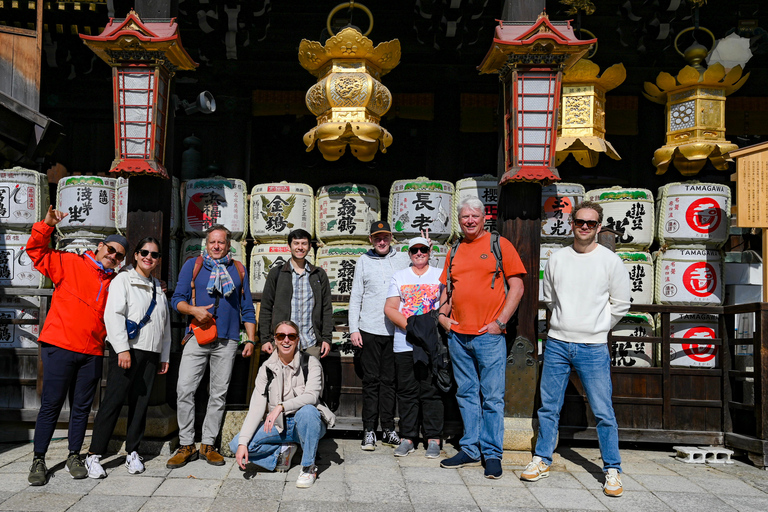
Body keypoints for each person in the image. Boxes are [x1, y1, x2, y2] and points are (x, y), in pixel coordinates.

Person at [521, 200, 630, 497]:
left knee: (603, 411)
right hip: (557, 342)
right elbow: (550, 299)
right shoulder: (557, 259)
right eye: (580, 221)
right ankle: (542, 458)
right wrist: (564, 321)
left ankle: (612, 469)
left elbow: (621, 303)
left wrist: (598, 325)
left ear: (598, 226)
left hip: (593, 345)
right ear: (571, 222)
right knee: (548, 407)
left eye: (591, 223)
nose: (584, 227)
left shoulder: (610, 261)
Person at [25, 206, 128, 486]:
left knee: (82, 408)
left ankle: (74, 455)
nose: (113, 256)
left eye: (119, 255)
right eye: (110, 249)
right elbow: (36, 253)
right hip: (59, 345)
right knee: (51, 405)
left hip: (92, 351)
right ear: (100, 246)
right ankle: (38, 459)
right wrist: (46, 226)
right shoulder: (70, 262)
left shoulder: (116, 283)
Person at [437, 197, 525, 479]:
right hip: (458, 336)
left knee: (492, 397)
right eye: (465, 217)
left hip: (488, 336)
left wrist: (500, 323)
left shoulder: (500, 245)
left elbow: (518, 286)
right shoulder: (455, 249)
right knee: (465, 393)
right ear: (459, 221)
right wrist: (442, 317)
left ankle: (492, 453)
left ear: (484, 217)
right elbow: (447, 290)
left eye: (475, 216)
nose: (470, 221)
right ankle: (470, 448)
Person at [167, 224, 257, 468]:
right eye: (212, 242)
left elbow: (246, 308)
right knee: (185, 389)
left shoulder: (238, 269)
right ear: (206, 245)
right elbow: (177, 300)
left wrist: (250, 339)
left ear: (229, 245)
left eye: (221, 243)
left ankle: (208, 444)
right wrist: (194, 311)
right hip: (196, 336)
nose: (216, 246)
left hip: (227, 340)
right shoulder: (193, 265)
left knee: (218, 394)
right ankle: (186, 444)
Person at [84, 237, 172, 478]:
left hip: (151, 353)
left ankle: (133, 451)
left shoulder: (158, 287)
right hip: (128, 351)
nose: (148, 257)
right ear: (135, 255)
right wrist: (122, 348)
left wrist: (164, 355)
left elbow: (164, 326)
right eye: (144, 252)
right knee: (113, 401)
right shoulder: (123, 279)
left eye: (154, 254)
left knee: (140, 404)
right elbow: (113, 314)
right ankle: (94, 455)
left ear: (158, 260)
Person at [231, 320, 336, 488]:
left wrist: (281, 407)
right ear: (275, 340)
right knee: (237, 445)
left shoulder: (311, 363)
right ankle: (282, 453)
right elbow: (256, 408)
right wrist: (243, 443)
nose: (286, 340)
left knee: (307, 411)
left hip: (308, 423)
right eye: (281, 336)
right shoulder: (266, 368)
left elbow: (311, 396)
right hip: (280, 425)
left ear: (297, 340)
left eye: (291, 336)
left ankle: (308, 466)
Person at [348, 220, 409, 451]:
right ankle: (369, 430)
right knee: (371, 382)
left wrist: (428, 249)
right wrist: (354, 328)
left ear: (391, 238)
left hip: (395, 331)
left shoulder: (402, 258)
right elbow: (356, 297)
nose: (381, 241)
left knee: (390, 382)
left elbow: (419, 274)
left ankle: (389, 428)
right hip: (369, 329)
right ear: (371, 240)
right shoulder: (364, 261)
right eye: (377, 238)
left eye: (385, 237)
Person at [384, 236, 444, 458]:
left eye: (423, 249)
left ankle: (434, 438)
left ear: (430, 250)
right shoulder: (400, 276)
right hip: (405, 341)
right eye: (414, 250)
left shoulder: (439, 274)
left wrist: (427, 330)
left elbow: (447, 304)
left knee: (432, 390)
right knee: (407, 391)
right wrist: (413, 328)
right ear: (408, 254)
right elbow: (390, 308)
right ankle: (408, 436)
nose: (419, 253)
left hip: (432, 343)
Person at [259, 228, 332, 359]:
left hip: (310, 342)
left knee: (310, 378)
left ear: (310, 247)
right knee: (281, 379)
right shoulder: (277, 273)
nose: (300, 247)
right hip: (282, 342)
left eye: (304, 243)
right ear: (289, 246)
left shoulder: (318, 275)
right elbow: (266, 307)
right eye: (296, 243)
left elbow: (326, 309)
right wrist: (265, 339)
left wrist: (326, 338)